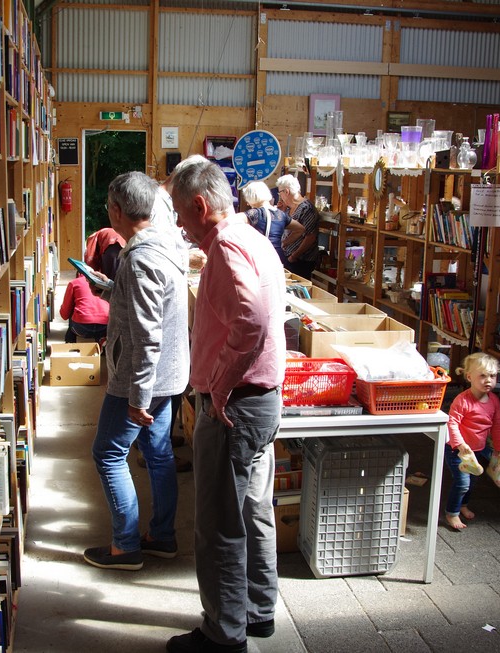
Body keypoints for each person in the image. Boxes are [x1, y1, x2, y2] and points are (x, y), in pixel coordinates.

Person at [167, 157, 286, 653]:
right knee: (253, 512)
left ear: (199, 206)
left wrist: (219, 387)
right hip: (261, 401)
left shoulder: (228, 246)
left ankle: (223, 634)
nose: (179, 225)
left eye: (180, 213)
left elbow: (252, 321)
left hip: (235, 406)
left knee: (218, 524)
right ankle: (257, 612)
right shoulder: (252, 237)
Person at [84, 171, 191, 571]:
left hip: (141, 378)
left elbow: (147, 337)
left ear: (116, 209)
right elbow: (152, 308)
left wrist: (137, 398)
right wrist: (110, 288)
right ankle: (162, 537)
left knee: (109, 454)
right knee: (158, 454)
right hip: (168, 373)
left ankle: (125, 546)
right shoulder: (165, 244)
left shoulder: (141, 258)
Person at [444, 352, 500, 531]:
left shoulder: (494, 401)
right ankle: (452, 513)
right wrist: (460, 444)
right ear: (469, 377)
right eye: (482, 376)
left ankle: (463, 505)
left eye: (492, 376)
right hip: (457, 451)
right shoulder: (462, 400)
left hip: (477, 450)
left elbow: (497, 426)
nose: (488, 380)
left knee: (472, 482)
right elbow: (452, 423)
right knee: (462, 483)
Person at [277, 174, 320, 279]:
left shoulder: (307, 208)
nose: (280, 196)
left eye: (280, 193)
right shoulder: (288, 207)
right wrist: (281, 212)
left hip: (300, 260)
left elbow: (310, 237)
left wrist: (294, 256)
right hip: (287, 256)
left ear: (286, 191)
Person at [241, 180, 293, 267]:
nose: (247, 203)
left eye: (247, 199)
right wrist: (284, 243)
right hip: (278, 256)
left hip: (261, 258)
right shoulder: (281, 214)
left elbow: (230, 221)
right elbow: (300, 229)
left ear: (252, 197)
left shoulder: (254, 213)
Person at [58, 271, 109, 343]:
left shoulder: (75, 283)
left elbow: (65, 314)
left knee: (73, 311)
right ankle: (102, 343)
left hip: (81, 328)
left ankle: (70, 344)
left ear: (79, 273)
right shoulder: (105, 282)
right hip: (105, 327)